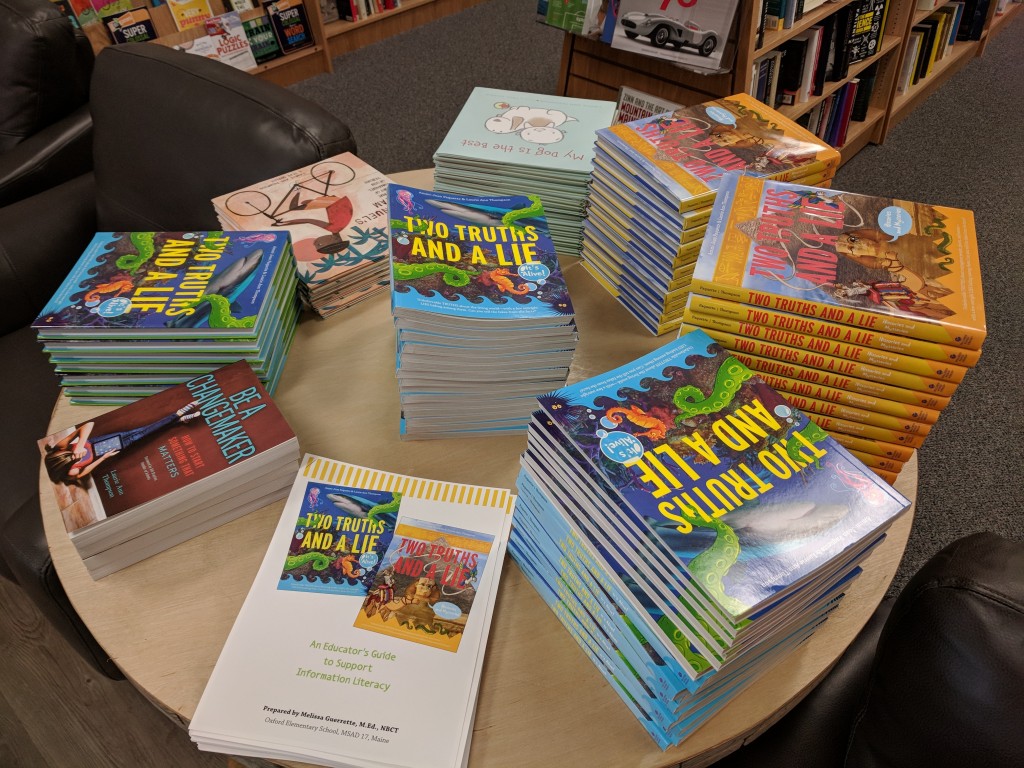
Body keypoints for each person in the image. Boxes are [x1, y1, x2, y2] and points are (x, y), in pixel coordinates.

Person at [43, 401, 201, 485]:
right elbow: (86, 471)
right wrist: (104, 458)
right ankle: (179, 415)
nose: (74, 456)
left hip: (98, 441)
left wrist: (78, 445)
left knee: (143, 431)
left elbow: (88, 425)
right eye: (72, 459)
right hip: (106, 450)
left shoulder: (60, 447)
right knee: (144, 433)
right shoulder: (71, 472)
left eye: (68, 454)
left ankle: (178, 417)